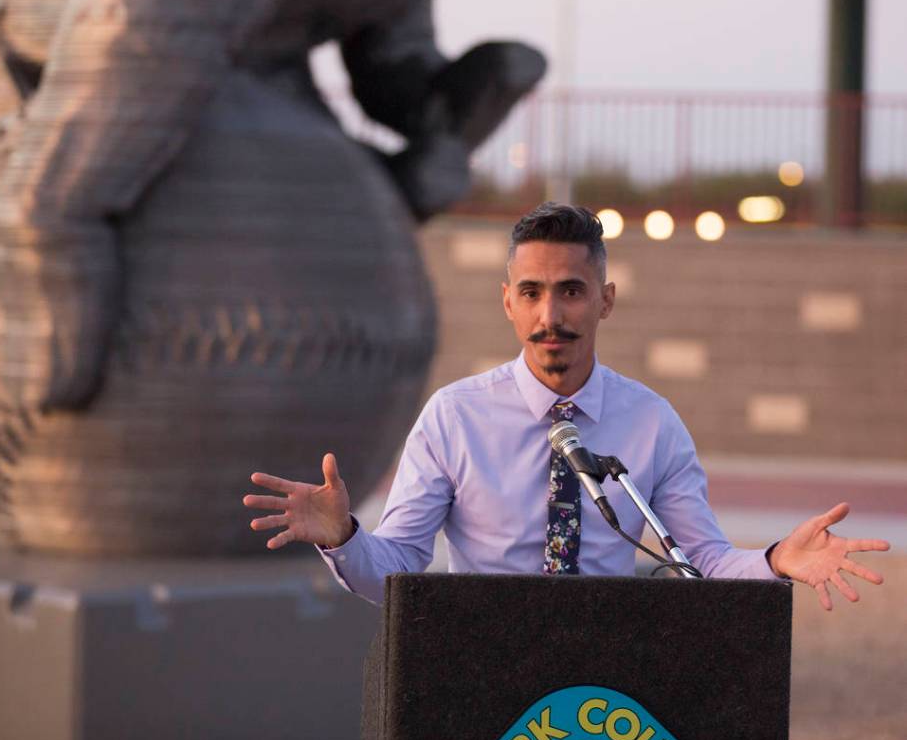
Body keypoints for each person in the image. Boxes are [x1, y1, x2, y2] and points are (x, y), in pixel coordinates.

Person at [243, 203, 889, 608]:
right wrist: (344, 538)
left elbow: (703, 563)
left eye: (570, 291)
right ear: (507, 301)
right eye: (531, 292)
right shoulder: (453, 418)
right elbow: (396, 569)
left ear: (604, 300)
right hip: (475, 668)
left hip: (603, 681)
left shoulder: (652, 423)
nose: (549, 315)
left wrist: (775, 558)